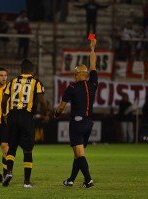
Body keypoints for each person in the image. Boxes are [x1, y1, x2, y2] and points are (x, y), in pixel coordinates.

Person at [54, 38, 97, 188]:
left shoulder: (71, 87)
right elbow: (93, 65)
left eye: (75, 73)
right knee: (77, 153)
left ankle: (88, 180)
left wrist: (56, 114)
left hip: (77, 123)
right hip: (89, 123)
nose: (74, 75)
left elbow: (61, 107)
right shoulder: (93, 83)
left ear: (78, 74)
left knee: (80, 154)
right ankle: (71, 179)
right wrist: (92, 48)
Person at [1, 59, 49, 188]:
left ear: (21, 70)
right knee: (28, 150)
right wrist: (46, 114)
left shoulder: (12, 82)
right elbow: (42, 101)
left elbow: (4, 100)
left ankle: (9, 173)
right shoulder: (35, 82)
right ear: (32, 70)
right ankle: (27, 182)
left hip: (12, 115)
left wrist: (6, 115)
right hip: (26, 117)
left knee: (12, 147)